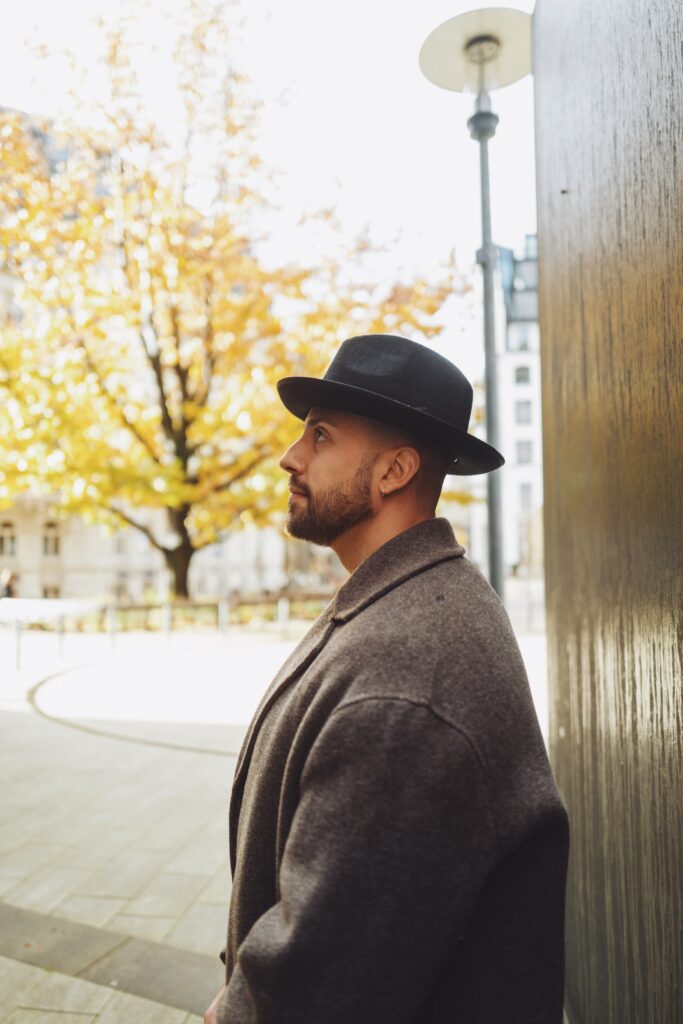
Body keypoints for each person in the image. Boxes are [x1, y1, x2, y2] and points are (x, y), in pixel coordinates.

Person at [205, 334, 569, 1024]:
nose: (289, 457)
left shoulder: (410, 679)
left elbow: (325, 986)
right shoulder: (408, 603)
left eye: (319, 437)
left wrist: (240, 1011)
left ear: (393, 470)